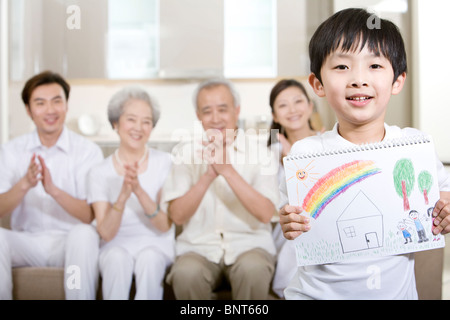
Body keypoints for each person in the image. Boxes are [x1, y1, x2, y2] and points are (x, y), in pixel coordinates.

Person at [279, 8, 450, 300]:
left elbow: (442, 198)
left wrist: (445, 211)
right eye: (342, 67)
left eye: (374, 65)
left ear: (397, 81)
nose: (358, 79)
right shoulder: (305, 154)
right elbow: (290, 216)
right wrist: (289, 222)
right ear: (317, 84)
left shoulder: (415, 146)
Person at [161, 78, 279, 300]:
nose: (215, 118)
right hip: (198, 248)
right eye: (207, 111)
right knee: (185, 274)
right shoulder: (185, 154)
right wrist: (208, 175)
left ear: (237, 110)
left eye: (222, 109)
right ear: (198, 116)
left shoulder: (261, 152)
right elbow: (177, 216)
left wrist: (227, 170)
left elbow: (266, 213)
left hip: (250, 246)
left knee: (253, 270)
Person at [0, 71, 104, 300]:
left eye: (57, 101)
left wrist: (54, 191)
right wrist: (25, 184)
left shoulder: (88, 152)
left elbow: (90, 216)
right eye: (40, 103)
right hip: (27, 243)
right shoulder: (11, 151)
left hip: (69, 243)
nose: (50, 110)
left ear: (66, 105)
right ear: (28, 110)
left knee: (85, 234)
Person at [87, 86, 174, 300]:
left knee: (150, 259)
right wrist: (123, 196)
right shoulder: (99, 172)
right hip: (115, 245)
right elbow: (106, 232)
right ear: (116, 123)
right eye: (131, 119)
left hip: (156, 242)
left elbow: (164, 225)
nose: (139, 127)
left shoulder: (165, 163)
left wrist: (138, 190)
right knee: (116, 259)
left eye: (146, 122)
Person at [267, 79, 321, 298]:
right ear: (275, 116)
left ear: (310, 106)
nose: (292, 109)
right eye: (283, 105)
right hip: (287, 231)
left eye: (298, 101)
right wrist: (286, 164)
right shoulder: (270, 153)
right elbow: (270, 205)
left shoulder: (327, 144)